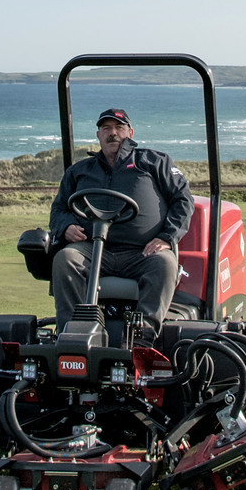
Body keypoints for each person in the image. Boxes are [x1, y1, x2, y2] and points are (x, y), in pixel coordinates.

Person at [46, 108, 194, 334]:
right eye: (106, 128)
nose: (112, 133)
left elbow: (183, 200)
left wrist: (167, 237)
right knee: (65, 258)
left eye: (119, 128)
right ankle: (73, 333)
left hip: (141, 252)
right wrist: (65, 227)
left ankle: (143, 337)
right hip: (93, 250)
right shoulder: (80, 171)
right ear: (98, 135)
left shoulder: (153, 162)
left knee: (164, 264)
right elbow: (58, 209)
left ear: (130, 132)